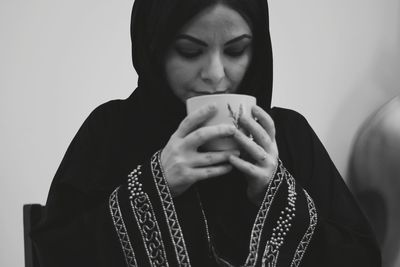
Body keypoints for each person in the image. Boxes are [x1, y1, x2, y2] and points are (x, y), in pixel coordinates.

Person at [31, 0, 381, 266]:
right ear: (154, 49)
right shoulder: (111, 130)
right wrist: (155, 184)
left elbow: (363, 257)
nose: (215, 74)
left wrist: (275, 191)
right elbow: (53, 253)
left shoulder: (288, 135)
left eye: (236, 50)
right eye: (189, 51)